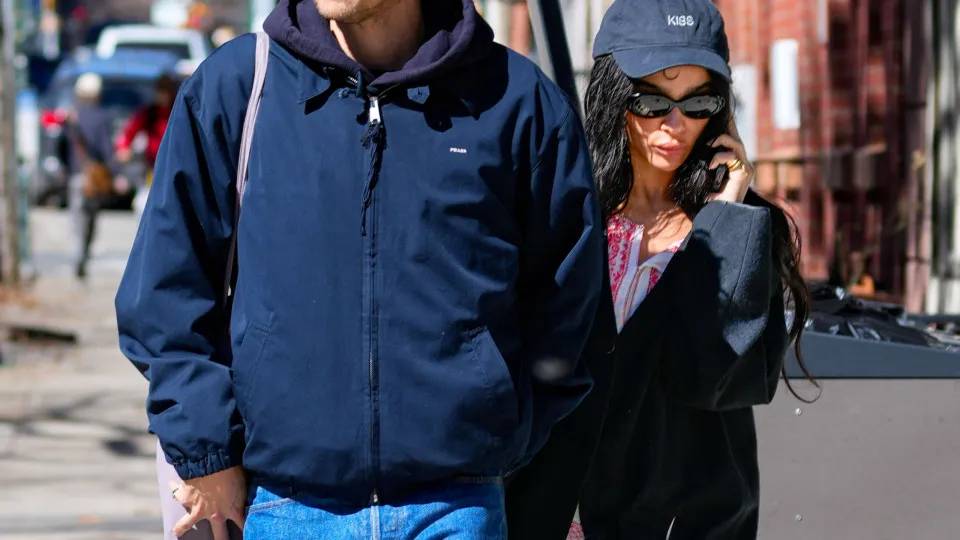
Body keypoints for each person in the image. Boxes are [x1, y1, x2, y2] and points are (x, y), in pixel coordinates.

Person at [114, 0, 603, 539]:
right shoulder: (238, 87)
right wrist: (207, 451)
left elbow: (570, 304)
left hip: (457, 508)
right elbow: (164, 294)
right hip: (282, 507)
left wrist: (505, 433)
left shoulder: (516, 100)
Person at [504, 0, 817, 538]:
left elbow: (712, 375)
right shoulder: (567, 210)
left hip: (679, 524)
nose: (676, 125)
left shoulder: (742, 226)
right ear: (613, 96)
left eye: (699, 102)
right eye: (652, 101)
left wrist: (723, 216)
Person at [68, 72, 123, 279]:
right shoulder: (102, 118)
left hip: (76, 175)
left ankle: (78, 256)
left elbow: (61, 145)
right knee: (90, 220)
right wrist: (116, 173)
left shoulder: (72, 117)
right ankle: (82, 255)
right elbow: (107, 149)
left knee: (77, 219)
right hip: (94, 178)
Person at [115, 73, 177, 184]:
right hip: (154, 165)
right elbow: (129, 131)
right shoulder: (149, 113)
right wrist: (123, 147)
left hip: (175, 164)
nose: (164, 95)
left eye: (167, 90)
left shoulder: (179, 112)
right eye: (161, 90)